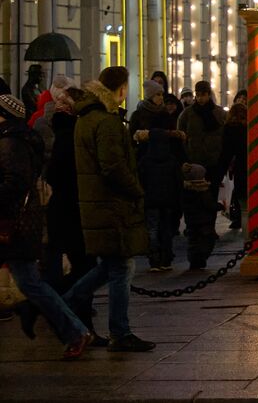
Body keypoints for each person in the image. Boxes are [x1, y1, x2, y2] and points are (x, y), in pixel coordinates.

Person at [62, 67, 155, 351]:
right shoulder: (107, 121)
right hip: (112, 205)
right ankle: (119, 331)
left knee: (112, 266)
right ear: (121, 89)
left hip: (97, 203)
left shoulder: (86, 118)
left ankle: (64, 305)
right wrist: (137, 190)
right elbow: (113, 166)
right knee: (122, 266)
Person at [0, 92, 95, 358]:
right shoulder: (17, 138)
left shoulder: (10, 142)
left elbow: (14, 182)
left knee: (31, 283)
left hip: (13, 223)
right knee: (31, 282)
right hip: (19, 221)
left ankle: (75, 331)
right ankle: (75, 331)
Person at [131, 80, 184, 271]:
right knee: (156, 223)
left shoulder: (165, 115)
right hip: (151, 168)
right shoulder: (140, 114)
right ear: (149, 96)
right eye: (158, 94)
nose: (161, 98)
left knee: (161, 223)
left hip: (160, 171)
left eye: (161, 94)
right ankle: (157, 257)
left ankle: (163, 257)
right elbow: (132, 138)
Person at [42, 84, 90, 294]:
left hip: (65, 204)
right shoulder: (72, 132)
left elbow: (55, 172)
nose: (58, 105)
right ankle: (66, 302)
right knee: (81, 261)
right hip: (72, 204)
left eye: (62, 101)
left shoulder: (65, 132)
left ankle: (60, 302)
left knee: (67, 258)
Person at [176, 81, 225, 178]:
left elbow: (224, 135)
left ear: (209, 95)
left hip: (214, 159)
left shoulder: (219, 113)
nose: (200, 98)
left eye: (203, 95)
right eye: (198, 95)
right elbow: (180, 134)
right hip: (194, 159)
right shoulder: (187, 113)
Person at [216, 103, 248, 230]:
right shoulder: (249, 127)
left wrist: (220, 173)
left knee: (240, 194)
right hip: (248, 164)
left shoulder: (230, 128)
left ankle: (239, 221)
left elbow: (226, 152)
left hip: (239, 166)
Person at [180, 162, 218, 270]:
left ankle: (193, 260)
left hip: (191, 221)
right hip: (204, 221)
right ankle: (201, 258)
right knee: (207, 240)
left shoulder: (186, 190)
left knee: (193, 241)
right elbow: (209, 205)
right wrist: (219, 206)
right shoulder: (203, 191)